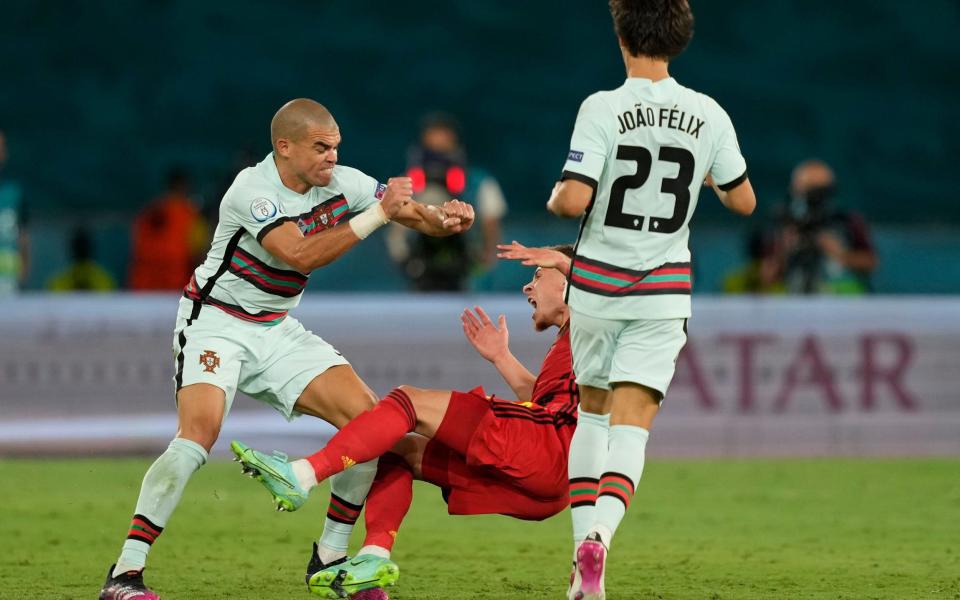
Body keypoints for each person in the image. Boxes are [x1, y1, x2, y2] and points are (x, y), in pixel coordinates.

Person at [99, 98, 475, 600]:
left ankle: (329, 559)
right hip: (216, 323)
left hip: (276, 327)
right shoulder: (253, 191)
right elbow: (298, 252)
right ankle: (126, 572)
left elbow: (411, 214)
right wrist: (376, 217)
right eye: (321, 148)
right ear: (285, 147)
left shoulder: (344, 183)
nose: (331, 158)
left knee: (368, 426)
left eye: (336, 147)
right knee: (197, 438)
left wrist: (444, 220)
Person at [532, 1, 757, 597]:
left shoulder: (602, 108)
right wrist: (704, 173)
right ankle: (599, 540)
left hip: (599, 288)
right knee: (633, 427)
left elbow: (573, 200)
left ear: (622, 36)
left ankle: (583, 579)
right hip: (662, 292)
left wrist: (557, 198)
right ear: (679, 39)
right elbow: (744, 203)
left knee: (592, 415)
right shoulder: (709, 114)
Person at [230, 244, 577, 598]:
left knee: (408, 400)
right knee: (398, 448)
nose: (527, 287)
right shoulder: (571, 341)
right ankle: (370, 558)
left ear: (569, 284)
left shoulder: (596, 319)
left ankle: (303, 475)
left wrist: (569, 265)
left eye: (538, 275)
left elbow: (616, 289)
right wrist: (502, 357)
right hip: (551, 485)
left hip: (546, 446)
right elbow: (545, 399)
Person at [386, 112, 508, 291]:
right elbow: (395, 231)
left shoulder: (479, 182)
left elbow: (491, 226)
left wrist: (485, 262)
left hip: (466, 268)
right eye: (432, 149)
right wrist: (405, 262)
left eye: (443, 147)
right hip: (420, 266)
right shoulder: (406, 182)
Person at [775, 159, 878, 294]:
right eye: (806, 191)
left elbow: (872, 262)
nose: (812, 199)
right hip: (797, 300)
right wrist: (785, 251)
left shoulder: (845, 222)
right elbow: (768, 274)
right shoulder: (787, 223)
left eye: (817, 192)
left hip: (843, 302)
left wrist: (841, 254)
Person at [0, 129, 29, 294]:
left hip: (10, 285)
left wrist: (23, 276)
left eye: (3, 146)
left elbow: (24, 238)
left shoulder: (14, 193)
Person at [47, 227, 117, 292]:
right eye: (79, 247)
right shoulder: (105, 280)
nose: (81, 250)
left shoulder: (58, 282)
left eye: (83, 247)